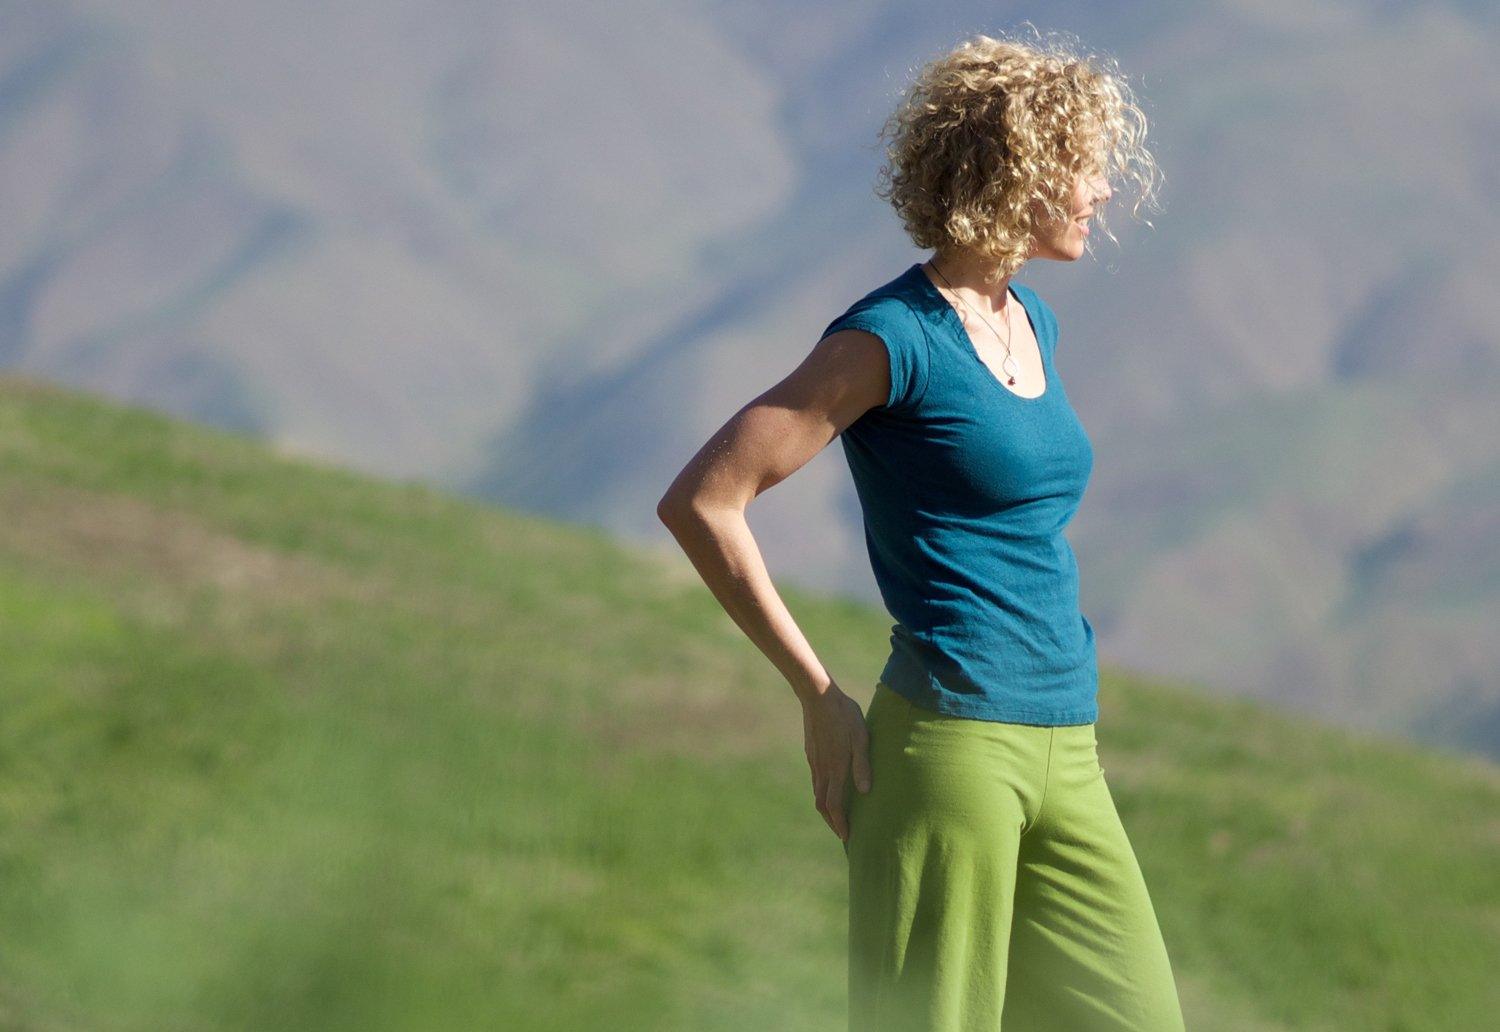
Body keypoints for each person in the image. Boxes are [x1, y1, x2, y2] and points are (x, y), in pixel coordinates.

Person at [657, 31, 1183, 1032]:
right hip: (950, 748)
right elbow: (704, 500)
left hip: (1067, 743)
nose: (1103, 190)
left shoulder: (1035, 322)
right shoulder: (890, 339)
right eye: (1084, 165)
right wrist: (817, 697)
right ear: (1014, 167)